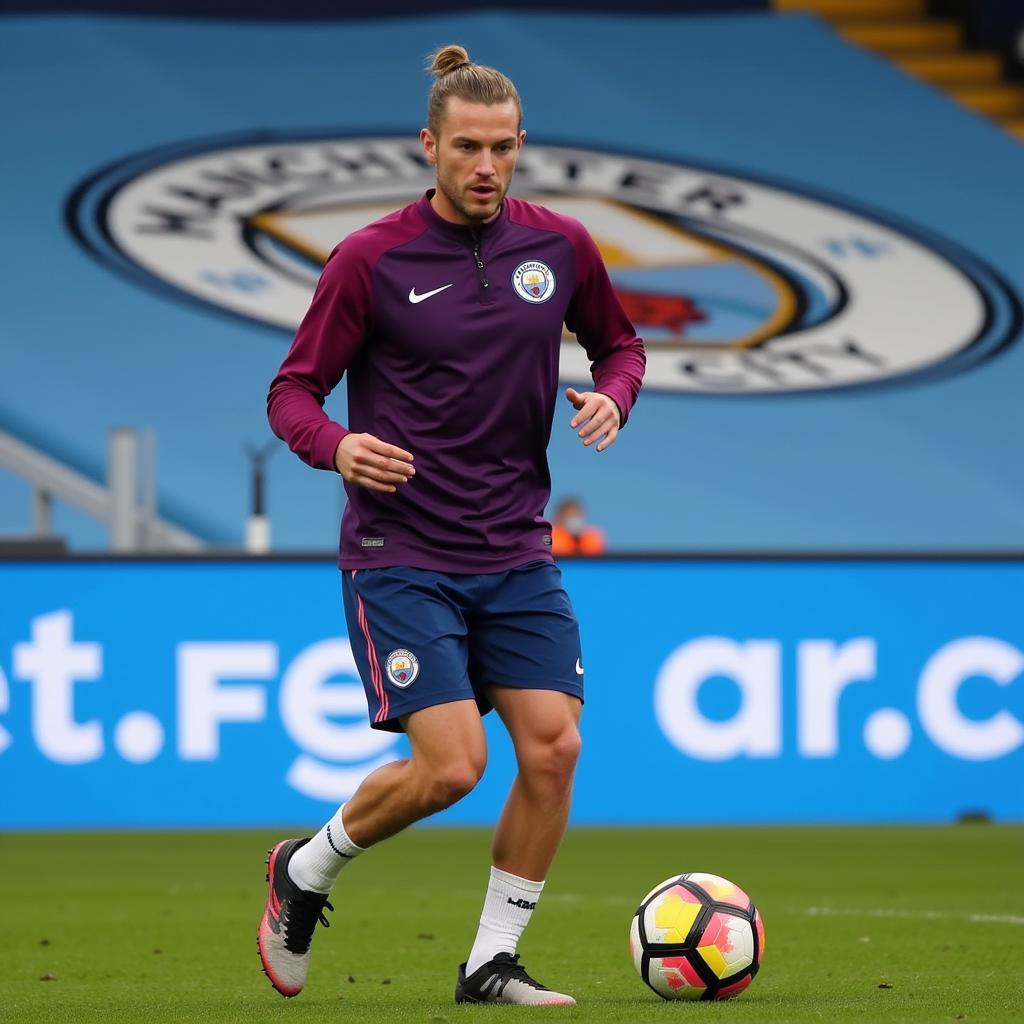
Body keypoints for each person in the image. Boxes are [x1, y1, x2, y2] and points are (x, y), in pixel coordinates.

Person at [260, 44, 645, 1007]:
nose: (486, 166)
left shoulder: (559, 248)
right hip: (403, 554)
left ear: (521, 149)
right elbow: (293, 392)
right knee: (452, 768)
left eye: (503, 149)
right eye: (467, 147)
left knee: (554, 749)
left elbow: (622, 343)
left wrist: (614, 395)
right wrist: (336, 447)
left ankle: (490, 963)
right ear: (429, 145)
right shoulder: (369, 259)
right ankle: (304, 871)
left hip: (515, 548)